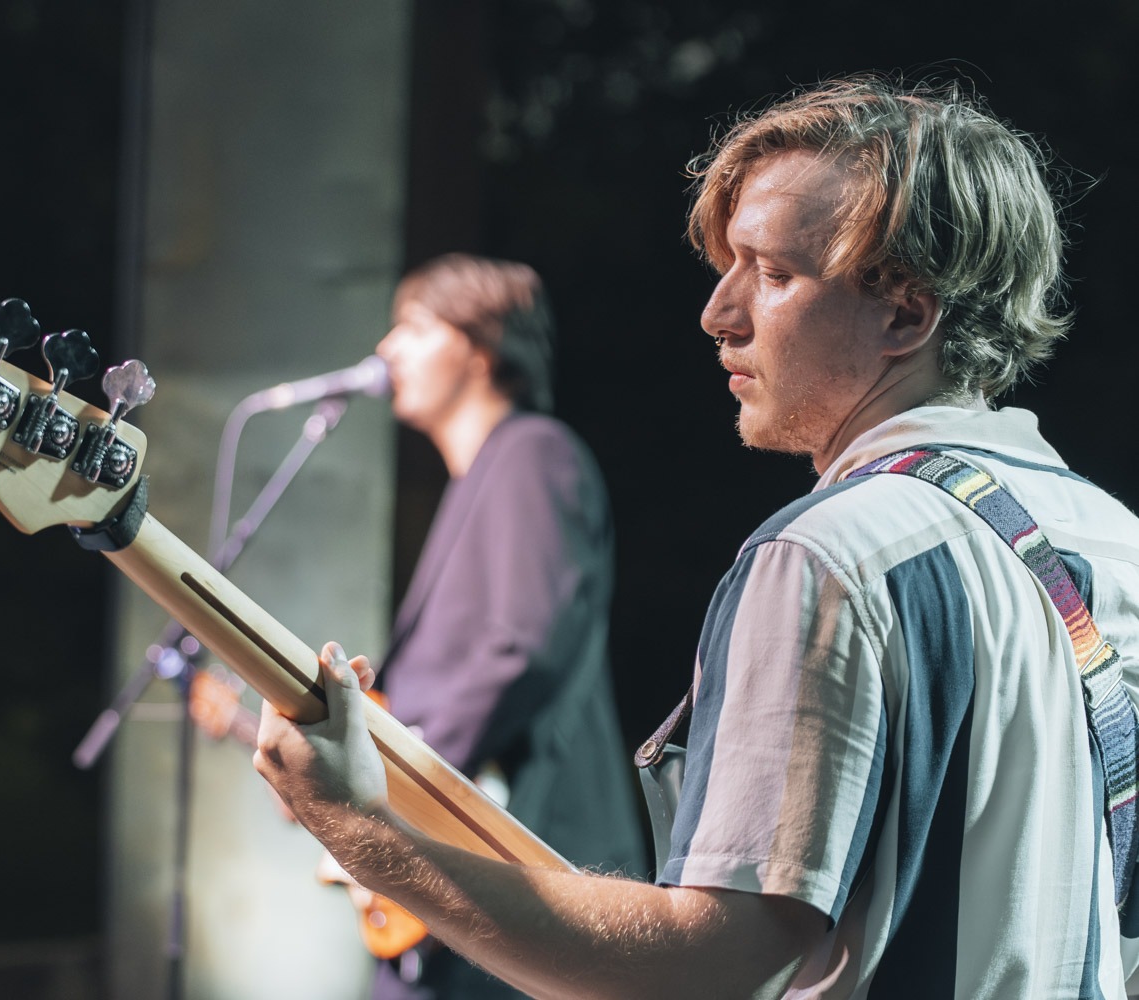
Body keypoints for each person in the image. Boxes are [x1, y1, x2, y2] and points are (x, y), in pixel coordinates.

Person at [253, 75, 1139, 998]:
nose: (718, 313)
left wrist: (360, 830)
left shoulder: (829, 556)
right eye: (728, 267)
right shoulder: (1117, 542)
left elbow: (717, 962)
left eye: (774, 273)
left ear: (906, 314)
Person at [347, 252, 646, 998]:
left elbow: (520, 646)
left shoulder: (533, 453)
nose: (387, 348)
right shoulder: (483, 479)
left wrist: (393, 798)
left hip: (527, 872)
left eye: (415, 326)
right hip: (473, 887)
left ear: (481, 349)